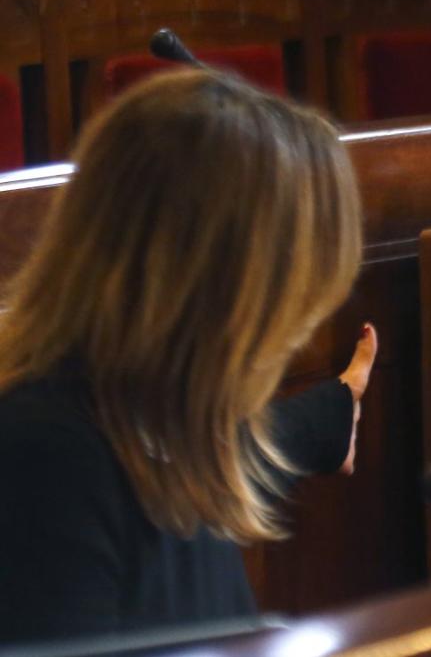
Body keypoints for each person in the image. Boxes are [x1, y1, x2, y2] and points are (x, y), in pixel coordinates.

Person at [0, 69, 376, 643]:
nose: (296, 334)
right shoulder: (46, 457)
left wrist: (335, 411)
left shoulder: (169, 419)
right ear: (215, 288)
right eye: (294, 295)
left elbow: (264, 442)